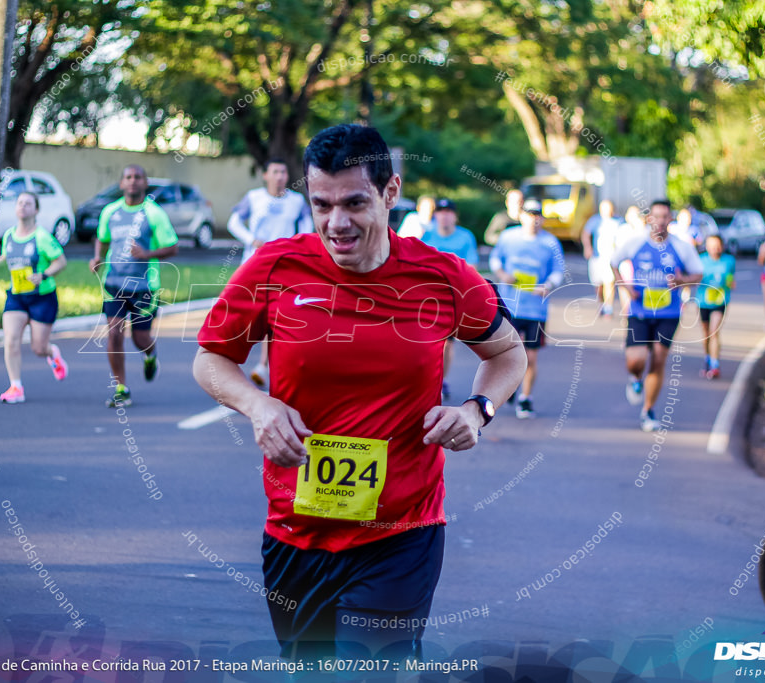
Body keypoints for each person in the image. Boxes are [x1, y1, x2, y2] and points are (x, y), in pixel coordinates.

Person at [193, 124, 526, 660]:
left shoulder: (441, 276)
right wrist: (257, 404)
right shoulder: (277, 267)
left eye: (354, 202)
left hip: (400, 533)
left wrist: (476, 409)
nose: (336, 223)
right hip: (294, 532)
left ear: (390, 192)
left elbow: (509, 353)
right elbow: (211, 359)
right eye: (320, 204)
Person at [89, 165, 179, 407]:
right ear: (121, 183)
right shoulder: (111, 211)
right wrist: (98, 257)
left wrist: (147, 253)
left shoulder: (154, 213)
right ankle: (121, 388)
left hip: (145, 286)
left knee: (140, 338)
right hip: (113, 284)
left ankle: (150, 355)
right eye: (128, 177)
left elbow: (172, 247)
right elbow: (102, 237)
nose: (132, 182)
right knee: (115, 333)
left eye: (137, 177)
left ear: (145, 182)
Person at [610, 200, 702, 431]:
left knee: (659, 358)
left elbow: (698, 274)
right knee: (636, 360)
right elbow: (613, 263)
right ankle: (635, 378)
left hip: (668, 313)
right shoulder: (636, 242)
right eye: (656, 216)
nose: (660, 221)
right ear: (649, 218)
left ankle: (648, 410)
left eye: (664, 217)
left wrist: (682, 281)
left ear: (670, 220)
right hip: (639, 310)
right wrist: (626, 287)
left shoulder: (682, 247)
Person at [227, 158, 315, 387]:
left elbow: (307, 223)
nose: (279, 176)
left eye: (283, 171)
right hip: (252, 265)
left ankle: (263, 366)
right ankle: (229, 362)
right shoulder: (254, 198)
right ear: (265, 175)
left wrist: (298, 244)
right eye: (275, 172)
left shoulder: (296, 201)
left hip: (283, 267)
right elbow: (233, 222)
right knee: (245, 317)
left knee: (273, 317)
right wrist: (251, 239)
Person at [0, 191, 68, 403]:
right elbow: (6, 256)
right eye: (20, 203)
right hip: (17, 297)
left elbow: (61, 261)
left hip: (42, 298)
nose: (23, 206)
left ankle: (52, 353)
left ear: (36, 210)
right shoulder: (9, 234)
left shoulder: (42, 237)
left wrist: (44, 274)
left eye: (28, 203)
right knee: (10, 339)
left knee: (38, 348)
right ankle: (15, 387)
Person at [490, 198, 566, 419]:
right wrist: (503, 275)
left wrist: (548, 285)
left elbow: (558, 270)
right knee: (506, 354)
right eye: (530, 214)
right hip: (510, 307)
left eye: (537, 214)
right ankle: (507, 388)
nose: (534, 219)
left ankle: (525, 398)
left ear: (542, 218)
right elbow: (496, 258)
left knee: (530, 357)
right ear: (521, 216)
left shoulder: (551, 242)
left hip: (535, 310)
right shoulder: (508, 237)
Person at [421, 198, 480, 400]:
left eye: (448, 212)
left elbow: (472, 268)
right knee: (424, 342)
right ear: (435, 215)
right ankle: (426, 379)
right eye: (440, 212)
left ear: (455, 216)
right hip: (426, 298)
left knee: (446, 343)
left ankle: (441, 380)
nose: (444, 216)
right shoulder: (426, 236)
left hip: (453, 299)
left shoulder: (465, 237)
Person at [696, 234, 736, 380]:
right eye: (711, 245)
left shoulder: (729, 261)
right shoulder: (700, 261)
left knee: (714, 332)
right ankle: (707, 358)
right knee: (706, 333)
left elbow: (731, 278)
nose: (715, 248)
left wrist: (730, 283)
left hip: (720, 301)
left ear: (722, 246)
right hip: (703, 301)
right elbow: (695, 278)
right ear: (706, 246)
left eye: (717, 245)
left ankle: (715, 364)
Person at [581, 200, 620, 316]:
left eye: (608, 208)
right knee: (598, 284)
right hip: (597, 257)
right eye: (604, 208)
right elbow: (585, 234)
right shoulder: (595, 220)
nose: (606, 211)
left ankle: (608, 307)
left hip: (611, 256)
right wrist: (587, 247)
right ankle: (601, 303)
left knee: (609, 282)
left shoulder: (618, 221)